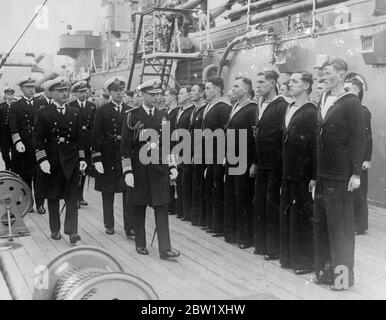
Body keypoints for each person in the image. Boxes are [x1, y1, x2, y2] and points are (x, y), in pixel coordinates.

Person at [313, 58, 365, 290]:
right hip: (323, 173)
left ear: (342, 74)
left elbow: (358, 139)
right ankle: (325, 273)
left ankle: (343, 279)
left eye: (329, 72)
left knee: (341, 229)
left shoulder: (351, 102)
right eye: (322, 72)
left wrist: (356, 173)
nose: (324, 76)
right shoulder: (324, 98)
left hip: (341, 174)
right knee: (323, 225)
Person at [121, 78, 180, 259]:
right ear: (143, 95)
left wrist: (172, 165)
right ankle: (140, 243)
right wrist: (127, 171)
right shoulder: (132, 116)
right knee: (138, 208)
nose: (156, 97)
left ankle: (165, 248)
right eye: (152, 94)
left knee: (161, 207)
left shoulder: (163, 116)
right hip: (139, 170)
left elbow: (168, 144)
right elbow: (125, 148)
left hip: (159, 169)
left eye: (158, 94)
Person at [33, 77, 87, 244]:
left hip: (71, 160)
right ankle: (55, 229)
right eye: (60, 91)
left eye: (66, 90)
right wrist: (42, 160)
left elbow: (80, 138)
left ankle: (72, 232)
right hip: (52, 160)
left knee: (72, 197)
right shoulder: (43, 113)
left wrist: (82, 158)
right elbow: (37, 139)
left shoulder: (75, 112)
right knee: (53, 196)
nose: (65, 94)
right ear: (52, 93)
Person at [279, 71, 317, 274]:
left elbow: (314, 146)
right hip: (288, 170)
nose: (289, 84)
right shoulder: (289, 107)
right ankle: (288, 258)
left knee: (302, 217)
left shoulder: (311, 111)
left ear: (306, 86)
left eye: (294, 81)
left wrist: (313, 176)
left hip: (303, 173)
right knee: (288, 213)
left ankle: (304, 261)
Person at [251, 70, 288, 260]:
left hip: (275, 164)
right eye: (256, 83)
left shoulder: (282, 105)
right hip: (262, 163)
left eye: (261, 82)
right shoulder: (261, 104)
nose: (258, 86)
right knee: (260, 204)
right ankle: (261, 244)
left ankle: (273, 248)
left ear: (273, 83)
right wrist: (255, 163)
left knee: (272, 205)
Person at [92, 76, 135, 238]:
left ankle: (129, 226)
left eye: (121, 90)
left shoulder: (130, 110)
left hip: (124, 157)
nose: (119, 93)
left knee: (127, 192)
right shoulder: (102, 110)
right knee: (107, 192)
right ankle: (109, 224)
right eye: (115, 90)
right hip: (108, 156)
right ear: (110, 92)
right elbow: (96, 136)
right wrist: (97, 159)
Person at [223, 77, 256, 249]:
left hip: (244, 158)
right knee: (232, 196)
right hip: (232, 158)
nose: (233, 89)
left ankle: (245, 237)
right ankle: (232, 233)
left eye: (236, 86)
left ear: (246, 89)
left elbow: (255, 138)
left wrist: (254, 162)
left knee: (243, 198)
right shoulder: (235, 107)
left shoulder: (252, 109)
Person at [9, 76, 46, 214]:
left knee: (40, 176)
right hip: (24, 146)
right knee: (26, 176)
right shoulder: (15, 106)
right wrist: (17, 141)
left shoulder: (41, 104)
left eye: (32, 87)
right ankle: (28, 203)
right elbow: (13, 127)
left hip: (38, 146)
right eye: (28, 87)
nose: (31, 89)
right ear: (22, 89)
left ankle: (40, 204)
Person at [202, 77, 231, 236]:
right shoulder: (211, 107)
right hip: (210, 154)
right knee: (211, 188)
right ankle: (212, 223)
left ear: (218, 89)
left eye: (208, 88)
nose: (205, 91)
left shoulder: (224, 108)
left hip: (219, 154)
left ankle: (218, 226)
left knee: (218, 188)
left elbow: (227, 133)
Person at [344, 77, 372, 235]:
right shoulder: (348, 110)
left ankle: (360, 224)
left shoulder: (363, 111)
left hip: (360, 158)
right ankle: (352, 221)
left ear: (358, 91)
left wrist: (367, 158)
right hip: (350, 156)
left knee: (360, 192)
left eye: (349, 89)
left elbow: (368, 137)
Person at [69, 81, 96, 208]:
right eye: (80, 92)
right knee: (75, 169)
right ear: (75, 93)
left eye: (85, 91)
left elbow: (95, 127)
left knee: (84, 169)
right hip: (75, 144)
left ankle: (80, 196)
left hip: (87, 143)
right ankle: (73, 196)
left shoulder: (92, 106)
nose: (83, 94)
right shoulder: (71, 105)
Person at [174, 86, 195, 221]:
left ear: (188, 96)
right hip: (179, 150)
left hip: (187, 151)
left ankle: (186, 212)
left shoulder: (191, 111)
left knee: (186, 183)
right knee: (180, 181)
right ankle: (180, 211)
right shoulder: (180, 111)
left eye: (181, 93)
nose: (178, 96)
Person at [189, 83, 208, 226]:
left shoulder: (204, 110)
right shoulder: (195, 110)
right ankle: (195, 218)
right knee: (195, 184)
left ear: (201, 94)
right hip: (194, 151)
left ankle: (201, 218)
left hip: (203, 153)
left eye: (194, 91)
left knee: (201, 185)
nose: (191, 93)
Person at [165, 88, 179, 215]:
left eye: (166, 95)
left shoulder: (176, 112)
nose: (164, 98)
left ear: (174, 97)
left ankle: (172, 206)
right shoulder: (168, 112)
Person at [0, 87, 15, 171]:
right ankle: (7, 164)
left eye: (11, 94)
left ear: (13, 95)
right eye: (8, 94)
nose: (9, 96)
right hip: (3, 133)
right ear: (5, 95)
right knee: (4, 152)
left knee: (15, 151)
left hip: (13, 132)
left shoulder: (16, 105)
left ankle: (13, 167)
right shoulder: (2, 106)